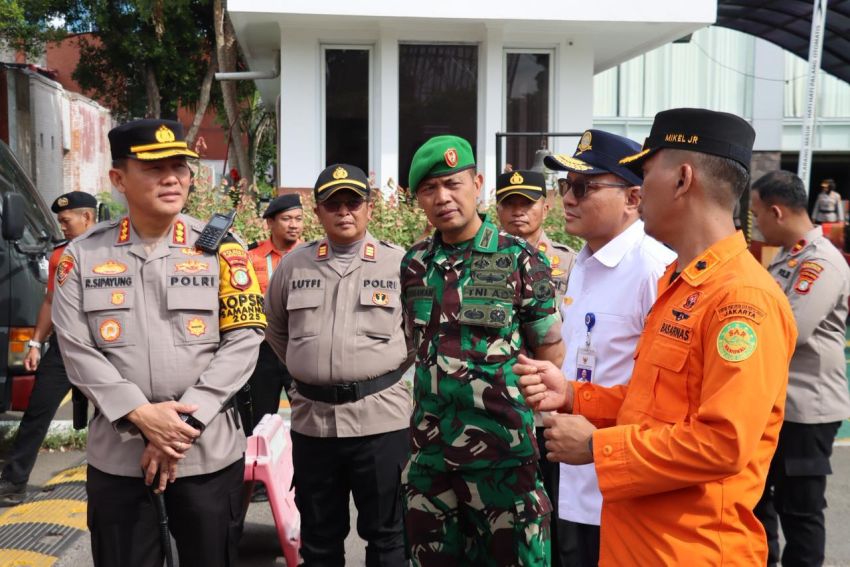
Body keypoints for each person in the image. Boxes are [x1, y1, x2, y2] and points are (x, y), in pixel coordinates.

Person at [516, 108, 798, 566]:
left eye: (646, 173)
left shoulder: (741, 298)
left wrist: (597, 447)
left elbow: (723, 443)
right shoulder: (680, 281)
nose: (639, 189)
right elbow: (651, 406)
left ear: (683, 180)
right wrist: (573, 395)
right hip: (639, 541)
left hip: (691, 550)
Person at [51, 119, 265, 567]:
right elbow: (75, 349)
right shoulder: (83, 255)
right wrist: (142, 415)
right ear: (118, 179)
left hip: (206, 456)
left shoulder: (223, 249)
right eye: (154, 168)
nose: (172, 178)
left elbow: (244, 340)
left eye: (179, 167)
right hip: (120, 460)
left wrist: (181, 426)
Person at [400, 135, 564, 566]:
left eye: (452, 184)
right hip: (431, 459)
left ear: (476, 184)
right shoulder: (414, 264)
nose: (443, 197)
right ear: (419, 199)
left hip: (503, 459)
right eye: (430, 188)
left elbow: (550, 349)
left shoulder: (520, 258)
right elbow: (417, 345)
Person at [264, 164, 411, 567]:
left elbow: (415, 336)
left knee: (388, 537)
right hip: (314, 425)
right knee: (319, 539)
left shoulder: (399, 264)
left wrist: (373, 373)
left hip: (381, 423)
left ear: (369, 208)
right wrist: (311, 368)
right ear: (318, 212)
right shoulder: (294, 266)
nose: (344, 211)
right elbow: (276, 329)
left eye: (353, 202)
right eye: (333, 204)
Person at [541, 130, 676, 567]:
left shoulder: (653, 269)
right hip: (570, 469)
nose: (568, 199)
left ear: (633, 198)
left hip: (619, 480)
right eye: (565, 185)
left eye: (584, 187)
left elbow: (664, 396)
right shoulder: (582, 262)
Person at [750, 170, 850, 567]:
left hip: (806, 409)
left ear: (776, 212)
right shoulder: (788, 257)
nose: (756, 223)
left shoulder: (819, 261)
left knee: (800, 510)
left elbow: (792, 328)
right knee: (759, 500)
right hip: (778, 405)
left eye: (757, 214)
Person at [495, 168, 577, 566]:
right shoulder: (481, 261)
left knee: (557, 517)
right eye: (509, 204)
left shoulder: (569, 261)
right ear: (497, 210)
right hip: (500, 409)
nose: (518, 212)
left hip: (549, 413)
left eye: (527, 203)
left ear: (545, 207)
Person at [0, 192, 97, 505]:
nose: (62, 227)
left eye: (66, 221)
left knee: (119, 416)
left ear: (87, 217)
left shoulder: (112, 250)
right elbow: (50, 301)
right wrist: (34, 344)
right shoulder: (60, 255)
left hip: (106, 349)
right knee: (36, 414)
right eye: (60, 222)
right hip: (63, 349)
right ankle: (14, 483)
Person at [241, 194, 304, 434]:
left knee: (307, 417)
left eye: (298, 218)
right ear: (270, 223)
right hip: (262, 349)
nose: (294, 225)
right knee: (257, 421)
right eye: (287, 219)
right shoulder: (250, 256)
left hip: (299, 347)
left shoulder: (312, 257)